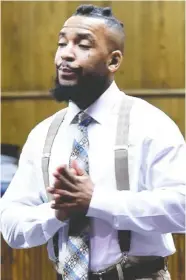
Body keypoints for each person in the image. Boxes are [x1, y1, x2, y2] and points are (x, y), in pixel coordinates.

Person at [1, 4, 185, 280]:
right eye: (62, 43)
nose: (66, 54)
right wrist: (56, 212)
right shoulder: (43, 134)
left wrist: (95, 201)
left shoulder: (150, 124)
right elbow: (12, 228)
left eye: (82, 45)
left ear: (113, 61)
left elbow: (181, 209)